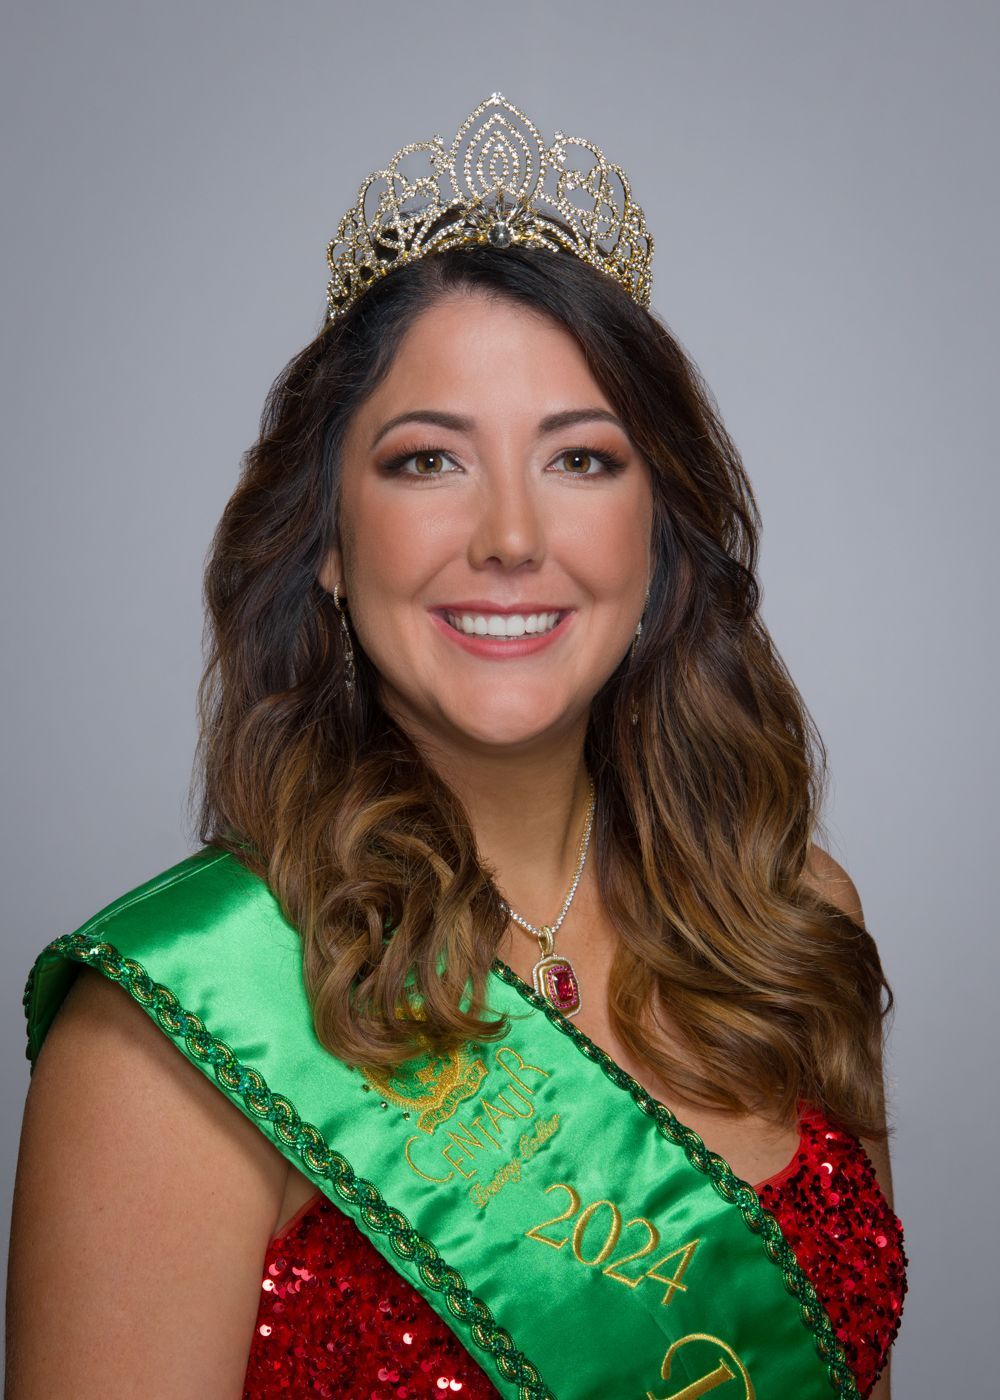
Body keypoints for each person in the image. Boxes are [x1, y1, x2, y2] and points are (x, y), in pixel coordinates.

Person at [7, 93, 907, 1399]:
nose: (508, 536)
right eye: (427, 462)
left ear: (658, 545)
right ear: (325, 541)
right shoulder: (171, 1037)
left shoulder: (792, 927)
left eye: (582, 461)